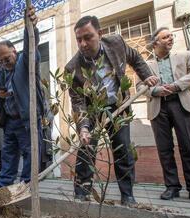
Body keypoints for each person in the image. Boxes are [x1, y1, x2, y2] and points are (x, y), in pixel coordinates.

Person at [65, 16, 158, 205]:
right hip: (92, 109)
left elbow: (136, 59)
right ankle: (82, 192)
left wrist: (147, 76)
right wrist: (83, 127)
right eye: (79, 39)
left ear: (99, 34)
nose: (83, 44)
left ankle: (127, 194)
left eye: (88, 37)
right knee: (86, 149)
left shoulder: (116, 43)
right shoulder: (72, 67)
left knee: (122, 148)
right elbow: (78, 101)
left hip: (119, 105)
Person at [136, 27, 190, 206]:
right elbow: (140, 86)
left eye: (171, 36)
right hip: (158, 107)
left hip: (181, 104)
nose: (170, 39)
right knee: (164, 149)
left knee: (189, 147)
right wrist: (155, 90)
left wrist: (177, 85)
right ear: (155, 43)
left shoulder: (184, 56)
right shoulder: (147, 66)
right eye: (166, 37)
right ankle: (172, 186)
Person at [0, 6, 44, 188]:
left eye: (6, 58)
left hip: (27, 119)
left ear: (14, 52)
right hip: (10, 122)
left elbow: (31, 46)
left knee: (30, 154)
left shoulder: (24, 62)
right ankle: (4, 188)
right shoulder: (1, 71)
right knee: (8, 155)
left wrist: (30, 27)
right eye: (1, 60)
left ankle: (26, 188)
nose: (5, 63)